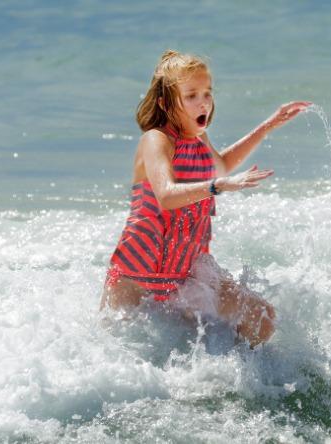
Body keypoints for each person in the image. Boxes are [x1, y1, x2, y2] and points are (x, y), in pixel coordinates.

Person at [101, 49, 310, 348]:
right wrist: (219, 186)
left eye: (207, 93)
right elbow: (166, 195)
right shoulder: (156, 140)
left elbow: (221, 166)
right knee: (127, 357)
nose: (204, 103)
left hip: (184, 273)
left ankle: (244, 386)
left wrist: (267, 127)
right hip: (136, 278)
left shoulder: (199, 140)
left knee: (261, 318)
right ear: (165, 102)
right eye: (191, 96)